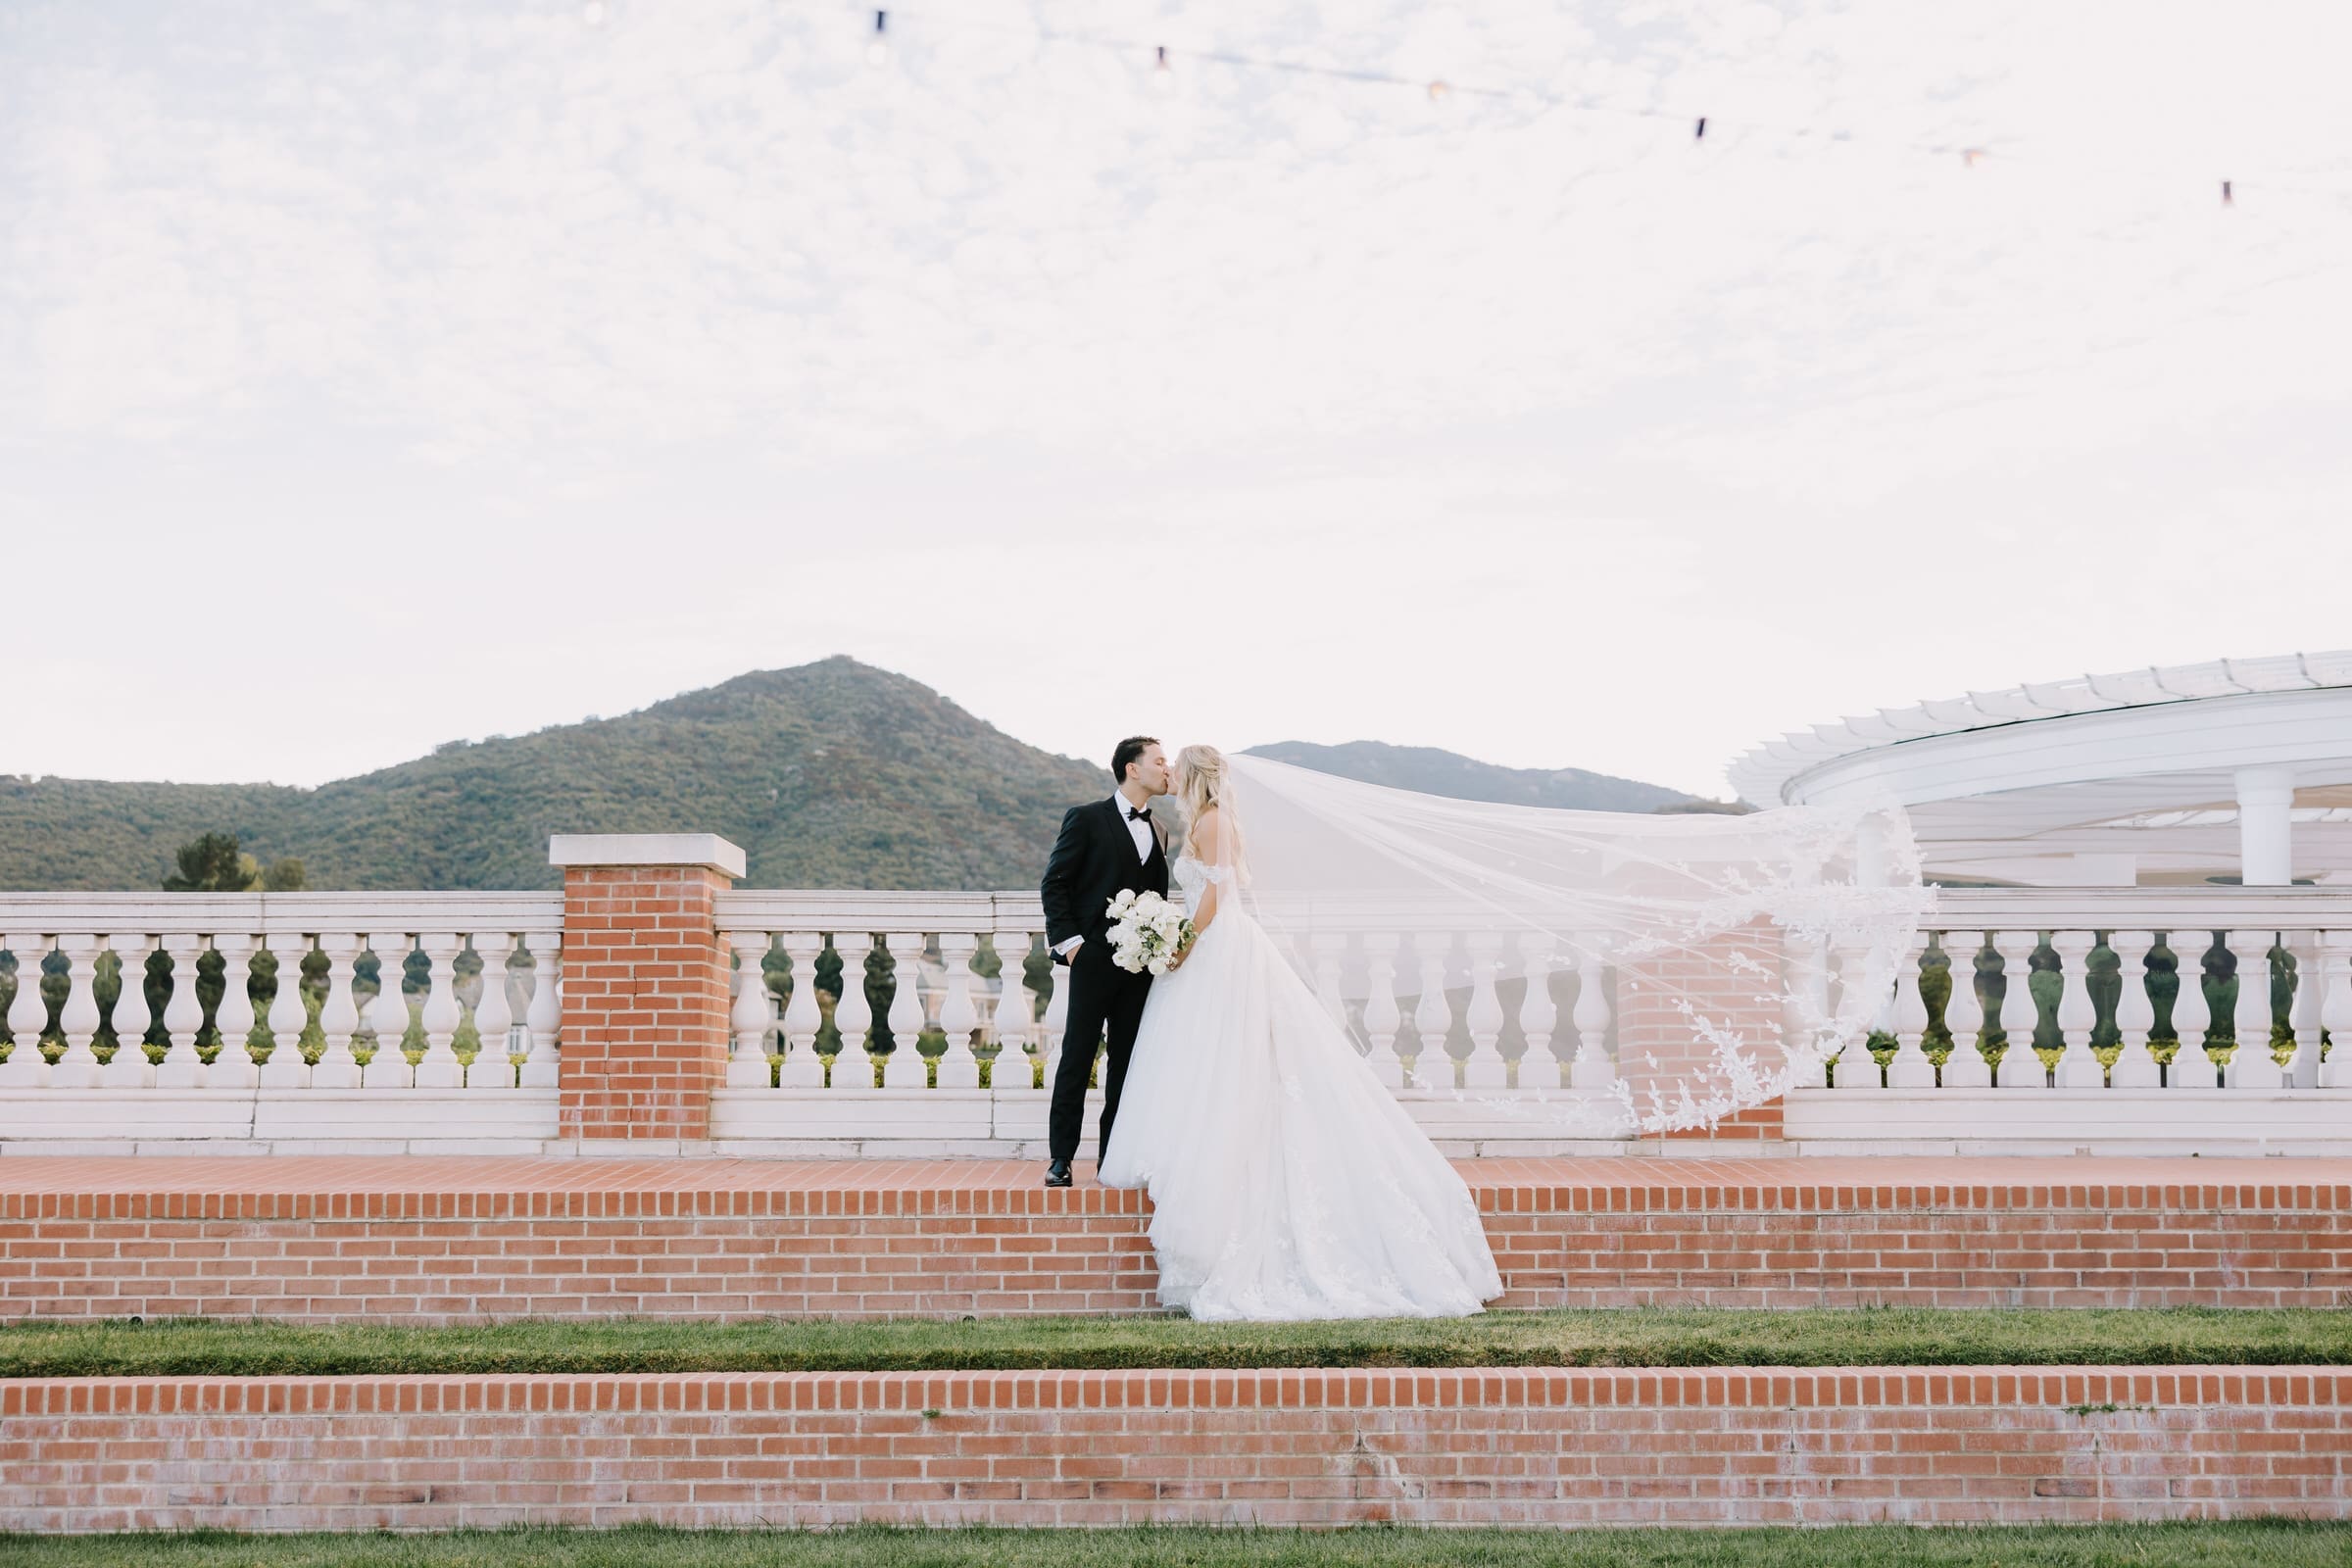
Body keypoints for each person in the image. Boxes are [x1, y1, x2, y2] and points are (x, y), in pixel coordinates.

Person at [1096, 743, 1502, 1321]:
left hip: (1218, 947)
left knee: (1229, 1059)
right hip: (1211, 946)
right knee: (1202, 1061)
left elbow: (1215, 893)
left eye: (1176, 767)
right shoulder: (1201, 821)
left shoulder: (1213, 821)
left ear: (1192, 776)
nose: (1170, 773)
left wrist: (1182, 942)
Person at [1037, 735, 1171, 1190]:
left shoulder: (1161, 830)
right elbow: (1055, 883)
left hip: (1140, 967)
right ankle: (1060, 1158)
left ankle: (1112, 1156)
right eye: (1159, 761)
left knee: (1126, 1062)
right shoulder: (1087, 818)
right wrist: (1072, 945)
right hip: (1092, 957)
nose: (1166, 768)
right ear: (1133, 769)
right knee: (1077, 1056)